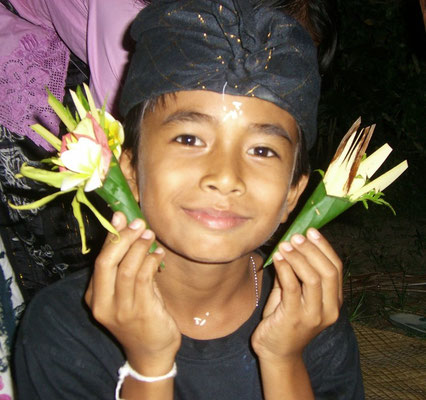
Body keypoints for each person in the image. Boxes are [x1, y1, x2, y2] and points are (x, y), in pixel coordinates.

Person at [14, 0, 364, 399]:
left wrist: (283, 359)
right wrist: (149, 365)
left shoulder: (311, 321)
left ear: (293, 194)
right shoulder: (64, 327)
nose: (225, 177)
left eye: (263, 150)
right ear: (129, 172)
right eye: (189, 139)